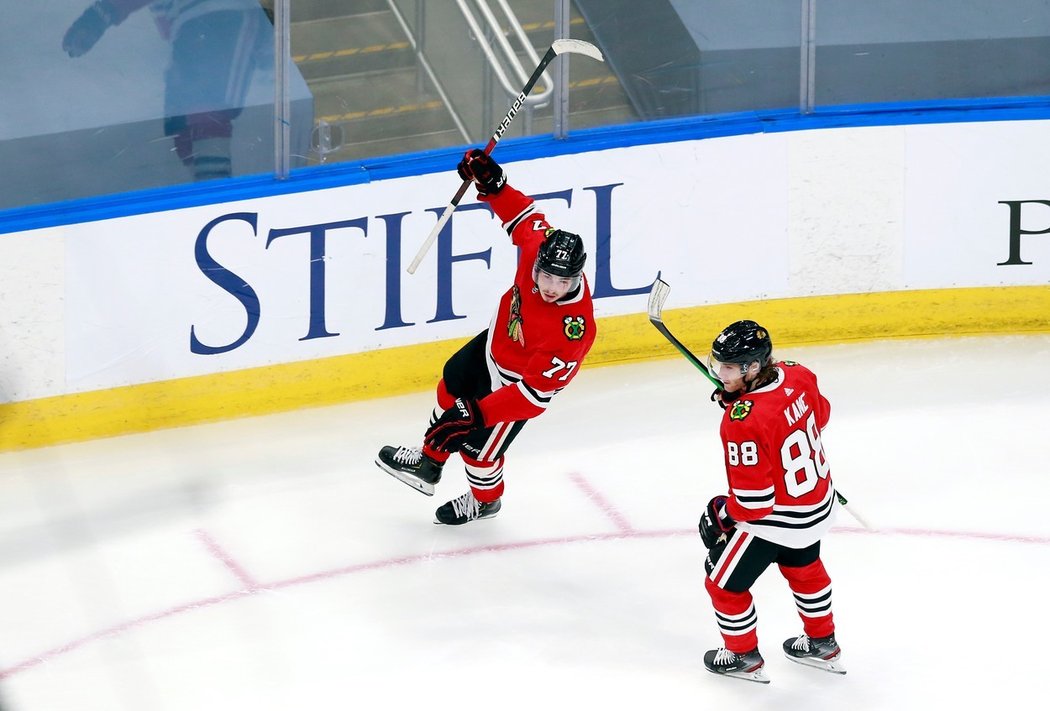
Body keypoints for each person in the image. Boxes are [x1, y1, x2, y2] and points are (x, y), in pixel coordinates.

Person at [375, 149, 596, 525]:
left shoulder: (573, 332)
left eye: (564, 282)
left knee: (479, 452)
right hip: (495, 344)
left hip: (514, 386)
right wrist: (492, 183)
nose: (552, 288)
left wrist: (476, 414)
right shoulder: (537, 246)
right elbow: (521, 215)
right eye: (546, 277)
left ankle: (485, 501)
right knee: (449, 388)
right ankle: (430, 460)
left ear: (577, 278)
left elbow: (533, 396)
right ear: (538, 263)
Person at [698, 320, 844, 683]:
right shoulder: (798, 374)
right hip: (816, 503)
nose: (721, 373)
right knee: (804, 569)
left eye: (729, 367)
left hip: (778, 519)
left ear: (752, 368)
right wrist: (743, 400)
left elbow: (754, 503)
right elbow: (819, 416)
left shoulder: (741, 421)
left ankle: (742, 655)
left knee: (722, 584)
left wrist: (722, 513)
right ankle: (822, 642)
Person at [62, 0, 272, 181]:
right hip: (190, 28)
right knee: (181, 119)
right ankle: (204, 186)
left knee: (206, 110)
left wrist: (96, 18)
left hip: (220, 15)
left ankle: (213, 187)